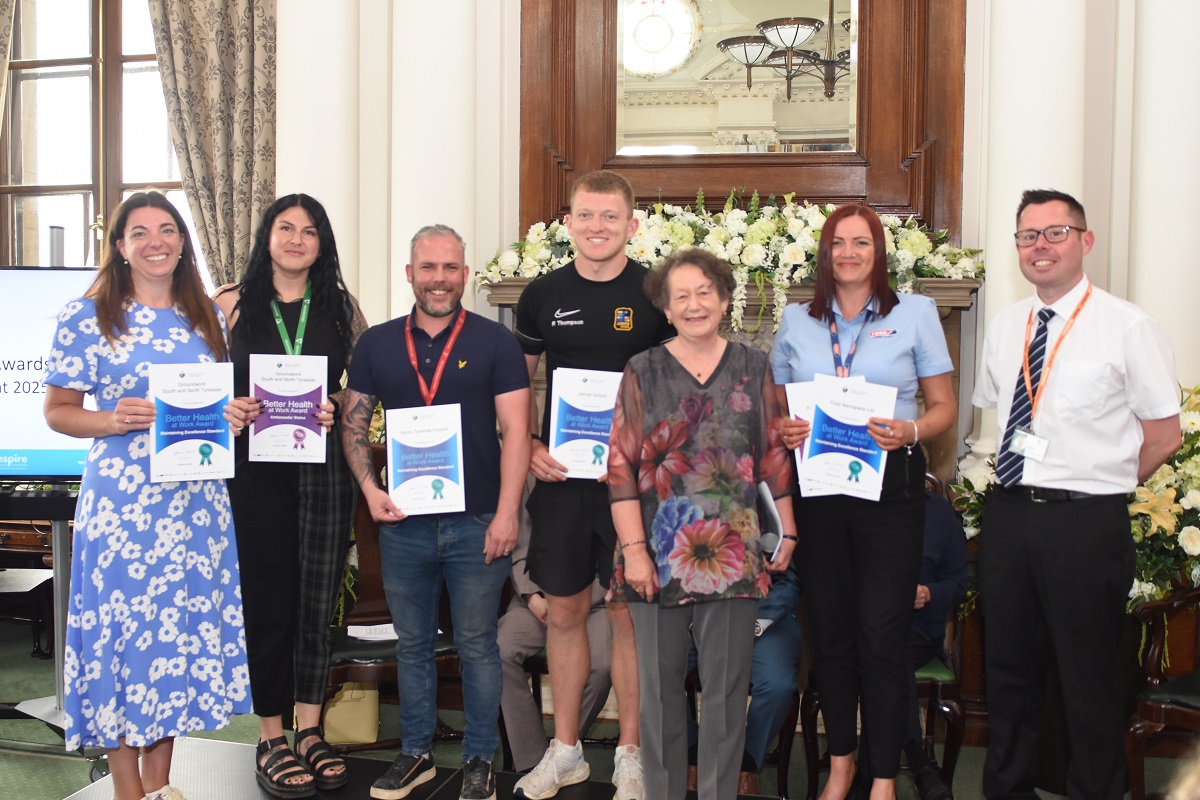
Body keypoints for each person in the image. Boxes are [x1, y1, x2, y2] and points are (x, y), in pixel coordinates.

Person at [43, 191, 255, 800]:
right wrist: (112, 419)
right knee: (121, 638)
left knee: (173, 639)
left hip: (195, 507)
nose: (156, 241)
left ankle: (162, 788)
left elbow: (206, 403)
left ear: (184, 242)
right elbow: (59, 412)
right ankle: (126, 790)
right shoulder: (86, 317)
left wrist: (231, 412)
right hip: (124, 510)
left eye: (167, 229)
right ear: (120, 246)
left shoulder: (206, 318)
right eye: (140, 232)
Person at [973, 189, 1180, 800]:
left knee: (1087, 678)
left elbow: (1164, 435)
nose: (1040, 246)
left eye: (1055, 233)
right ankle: (1007, 791)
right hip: (1010, 517)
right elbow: (997, 414)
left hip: (1085, 523)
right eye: (1027, 235)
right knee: (1007, 673)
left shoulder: (1128, 326)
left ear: (1085, 241)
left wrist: (1103, 481)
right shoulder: (1008, 324)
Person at [769, 203, 957, 800]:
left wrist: (912, 432)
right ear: (823, 255)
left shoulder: (917, 314)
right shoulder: (797, 322)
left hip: (891, 490)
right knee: (833, 635)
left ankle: (882, 778)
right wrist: (786, 429)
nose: (849, 253)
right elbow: (777, 409)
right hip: (820, 490)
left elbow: (944, 408)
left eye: (862, 243)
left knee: (881, 636)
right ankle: (842, 765)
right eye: (838, 244)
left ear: (879, 254)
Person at [341, 224, 531, 800]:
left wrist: (506, 515)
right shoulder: (375, 343)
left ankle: (478, 759)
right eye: (429, 268)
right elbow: (352, 425)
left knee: (476, 643)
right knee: (413, 642)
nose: (440, 279)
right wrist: (370, 491)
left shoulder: (497, 344)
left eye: (451, 268)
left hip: (477, 521)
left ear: (465, 276)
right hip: (402, 522)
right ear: (410, 274)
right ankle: (415, 753)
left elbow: (518, 433)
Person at [608, 247, 798, 800]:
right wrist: (635, 551)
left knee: (726, 692)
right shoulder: (642, 369)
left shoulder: (752, 365)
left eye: (704, 293)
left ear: (724, 299)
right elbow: (620, 468)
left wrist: (787, 529)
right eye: (681, 296)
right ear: (666, 309)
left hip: (734, 551)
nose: (694, 305)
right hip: (657, 554)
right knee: (660, 695)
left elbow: (771, 456)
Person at [513, 170, 674, 800]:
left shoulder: (658, 292)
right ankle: (567, 750)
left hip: (636, 484)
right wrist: (526, 443)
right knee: (566, 611)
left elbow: (677, 381)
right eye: (586, 216)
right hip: (564, 480)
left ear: (631, 225)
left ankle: (630, 754)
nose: (597, 227)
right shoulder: (542, 295)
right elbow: (518, 385)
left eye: (611, 217)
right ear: (569, 222)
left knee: (630, 614)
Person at [214, 194, 367, 797]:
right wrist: (227, 408)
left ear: (322, 243)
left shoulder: (341, 307)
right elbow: (201, 387)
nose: (297, 239)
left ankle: (310, 727)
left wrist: (337, 406)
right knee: (268, 602)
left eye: (309, 231)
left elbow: (361, 390)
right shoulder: (230, 303)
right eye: (286, 228)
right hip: (255, 473)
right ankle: (271, 734)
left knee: (316, 601)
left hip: (322, 470)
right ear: (267, 236)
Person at [854, 489, 966, 800]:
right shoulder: (861, 507)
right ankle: (919, 763)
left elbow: (958, 584)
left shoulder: (942, 515)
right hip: (866, 628)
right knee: (885, 653)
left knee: (889, 655)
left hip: (918, 632)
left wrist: (929, 593)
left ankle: (865, 778)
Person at [498, 479, 613, 773]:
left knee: (601, 666)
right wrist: (531, 595)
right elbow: (519, 537)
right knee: (499, 650)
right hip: (538, 596)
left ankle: (564, 748)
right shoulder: (535, 461)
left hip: (598, 602)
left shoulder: (610, 463)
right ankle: (533, 760)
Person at [684, 558, 802, 797]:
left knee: (777, 683)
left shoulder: (775, 520)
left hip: (764, 617)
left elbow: (788, 580)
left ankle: (745, 764)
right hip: (693, 615)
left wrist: (750, 623)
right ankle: (693, 755)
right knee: (652, 671)